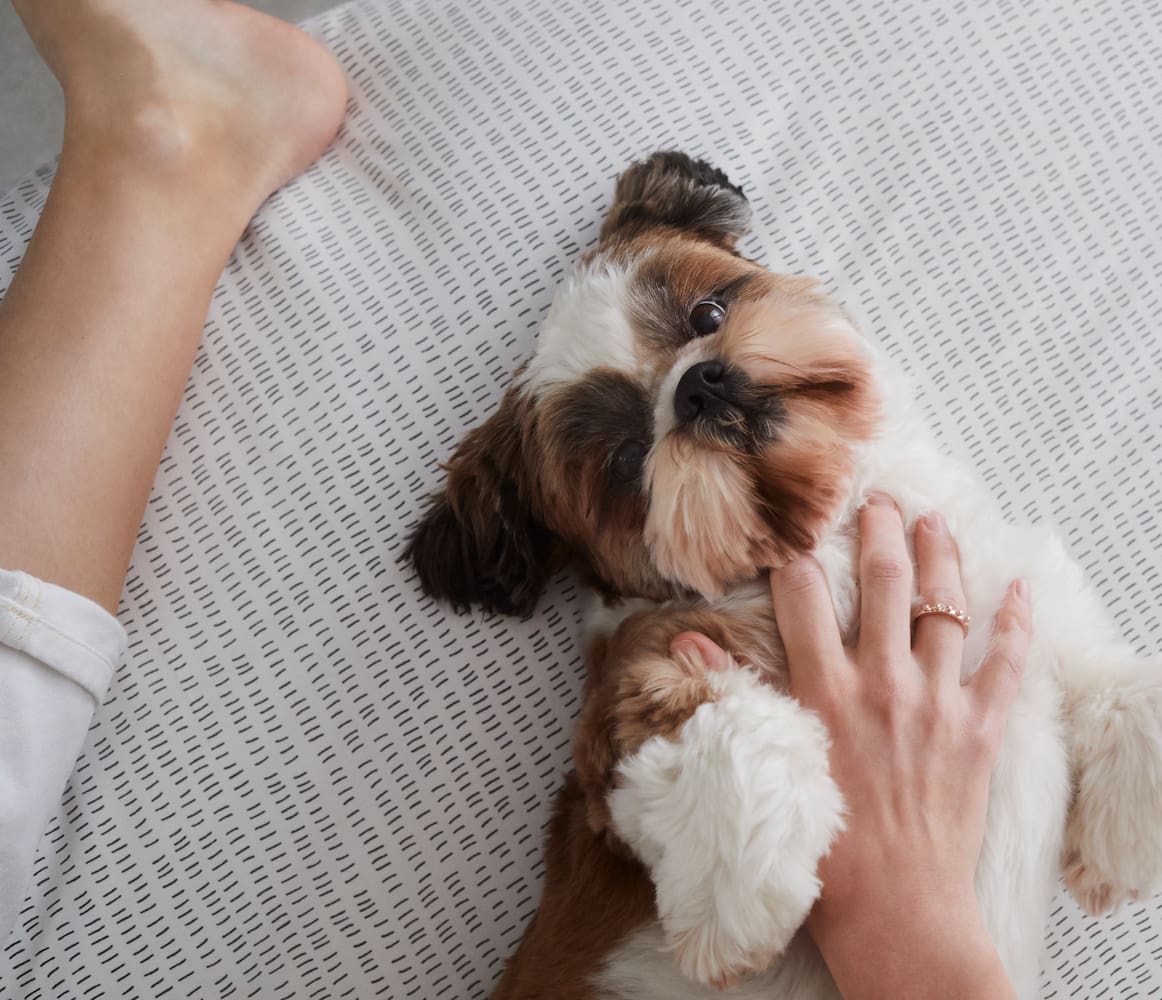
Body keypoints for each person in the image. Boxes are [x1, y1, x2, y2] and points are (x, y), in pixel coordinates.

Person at [0, 2, 1035, 997]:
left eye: (710, 313)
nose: (704, 380)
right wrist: (909, 934)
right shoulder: (674, 660)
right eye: (627, 460)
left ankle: (162, 148)